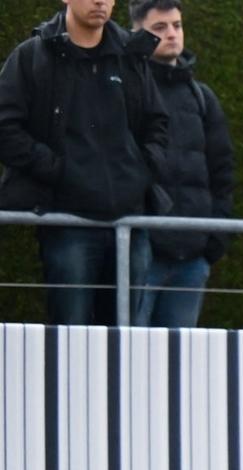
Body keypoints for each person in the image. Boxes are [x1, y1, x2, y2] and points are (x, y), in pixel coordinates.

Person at [0, 0, 166, 327]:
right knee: (70, 341)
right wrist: (54, 169)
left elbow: (158, 123)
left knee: (125, 343)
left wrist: (142, 171)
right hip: (67, 223)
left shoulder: (131, 56)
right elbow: (4, 126)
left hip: (130, 223)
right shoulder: (34, 56)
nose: (100, 1)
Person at [131, 0, 230, 331]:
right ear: (136, 33)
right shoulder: (126, 90)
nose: (172, 34)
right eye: (160, 28)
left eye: (177, 25)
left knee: (179, 365)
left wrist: (212, 241)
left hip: (192, 258)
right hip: (140, 252)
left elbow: (222, 173)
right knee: (130, 356)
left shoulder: (202, 97)